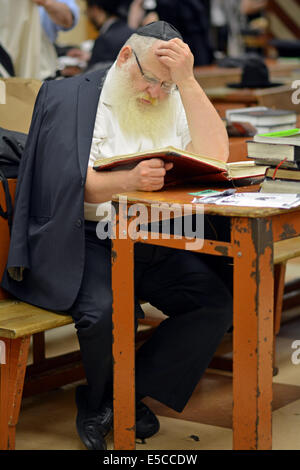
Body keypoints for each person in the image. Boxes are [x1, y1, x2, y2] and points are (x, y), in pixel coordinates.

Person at [1, 21, 232, 450]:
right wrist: (129, 182)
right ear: (126, 57)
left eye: (167, 85)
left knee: (214, 303)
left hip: (154, 236)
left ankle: (110, 399)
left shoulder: (172, 93)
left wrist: (188, 81)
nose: (155, 94)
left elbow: (216, 156)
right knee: (104, 313)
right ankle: (110, 401)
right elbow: (70, 182)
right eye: (150, 80)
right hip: (84, 236)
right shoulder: (71, 97)